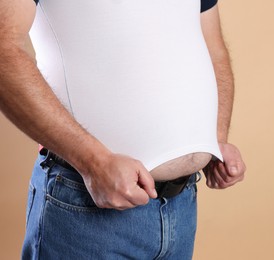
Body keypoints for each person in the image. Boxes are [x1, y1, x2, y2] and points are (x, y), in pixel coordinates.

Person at [0, 0, 246, 259]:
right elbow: (4, 50)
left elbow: (213, 46)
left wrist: (216, 138)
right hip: (86, 205)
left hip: (181, 207)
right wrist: (94, 163)